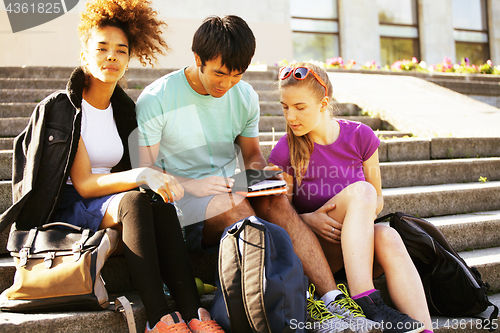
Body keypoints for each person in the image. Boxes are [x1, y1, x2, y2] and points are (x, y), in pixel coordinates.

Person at [136, 15, 381, 333]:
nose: (226, 84)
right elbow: (147, 173)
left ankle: (332, 301)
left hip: (231, 190)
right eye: (219, 74)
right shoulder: (157, 98)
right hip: (182, 206)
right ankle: (295, 303)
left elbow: (251, 155)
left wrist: (261, 176)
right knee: (235, 205)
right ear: (198, 59)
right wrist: (195, 185)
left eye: (236, 75)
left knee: (276, 201)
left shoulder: (244, 96)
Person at [0, 1, 224, 332]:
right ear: (84, 55)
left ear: (129, 59)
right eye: (102, 48)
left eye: (121, 51)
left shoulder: (123, 111)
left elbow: (142, 169)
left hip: (107, 203)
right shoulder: (64, 109)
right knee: (135, 200)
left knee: (156, 204)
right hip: (70, 206)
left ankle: (193, 314)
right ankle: (158, 318)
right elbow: (86, 185)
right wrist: (141, 176)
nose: (111, 57)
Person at [268, 62, 434, 333]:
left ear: (323, 103)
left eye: (300, 107)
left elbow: (377, 200)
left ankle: (425, 330)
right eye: (285, 107)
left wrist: (354, 218)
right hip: (317, 256)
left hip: (358, 251)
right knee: (362, 191)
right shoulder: (285, 150)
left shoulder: (360, 137)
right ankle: (365, 297)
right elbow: (278, 214)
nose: (290, 117)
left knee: (387, 233)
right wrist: (308, 220)